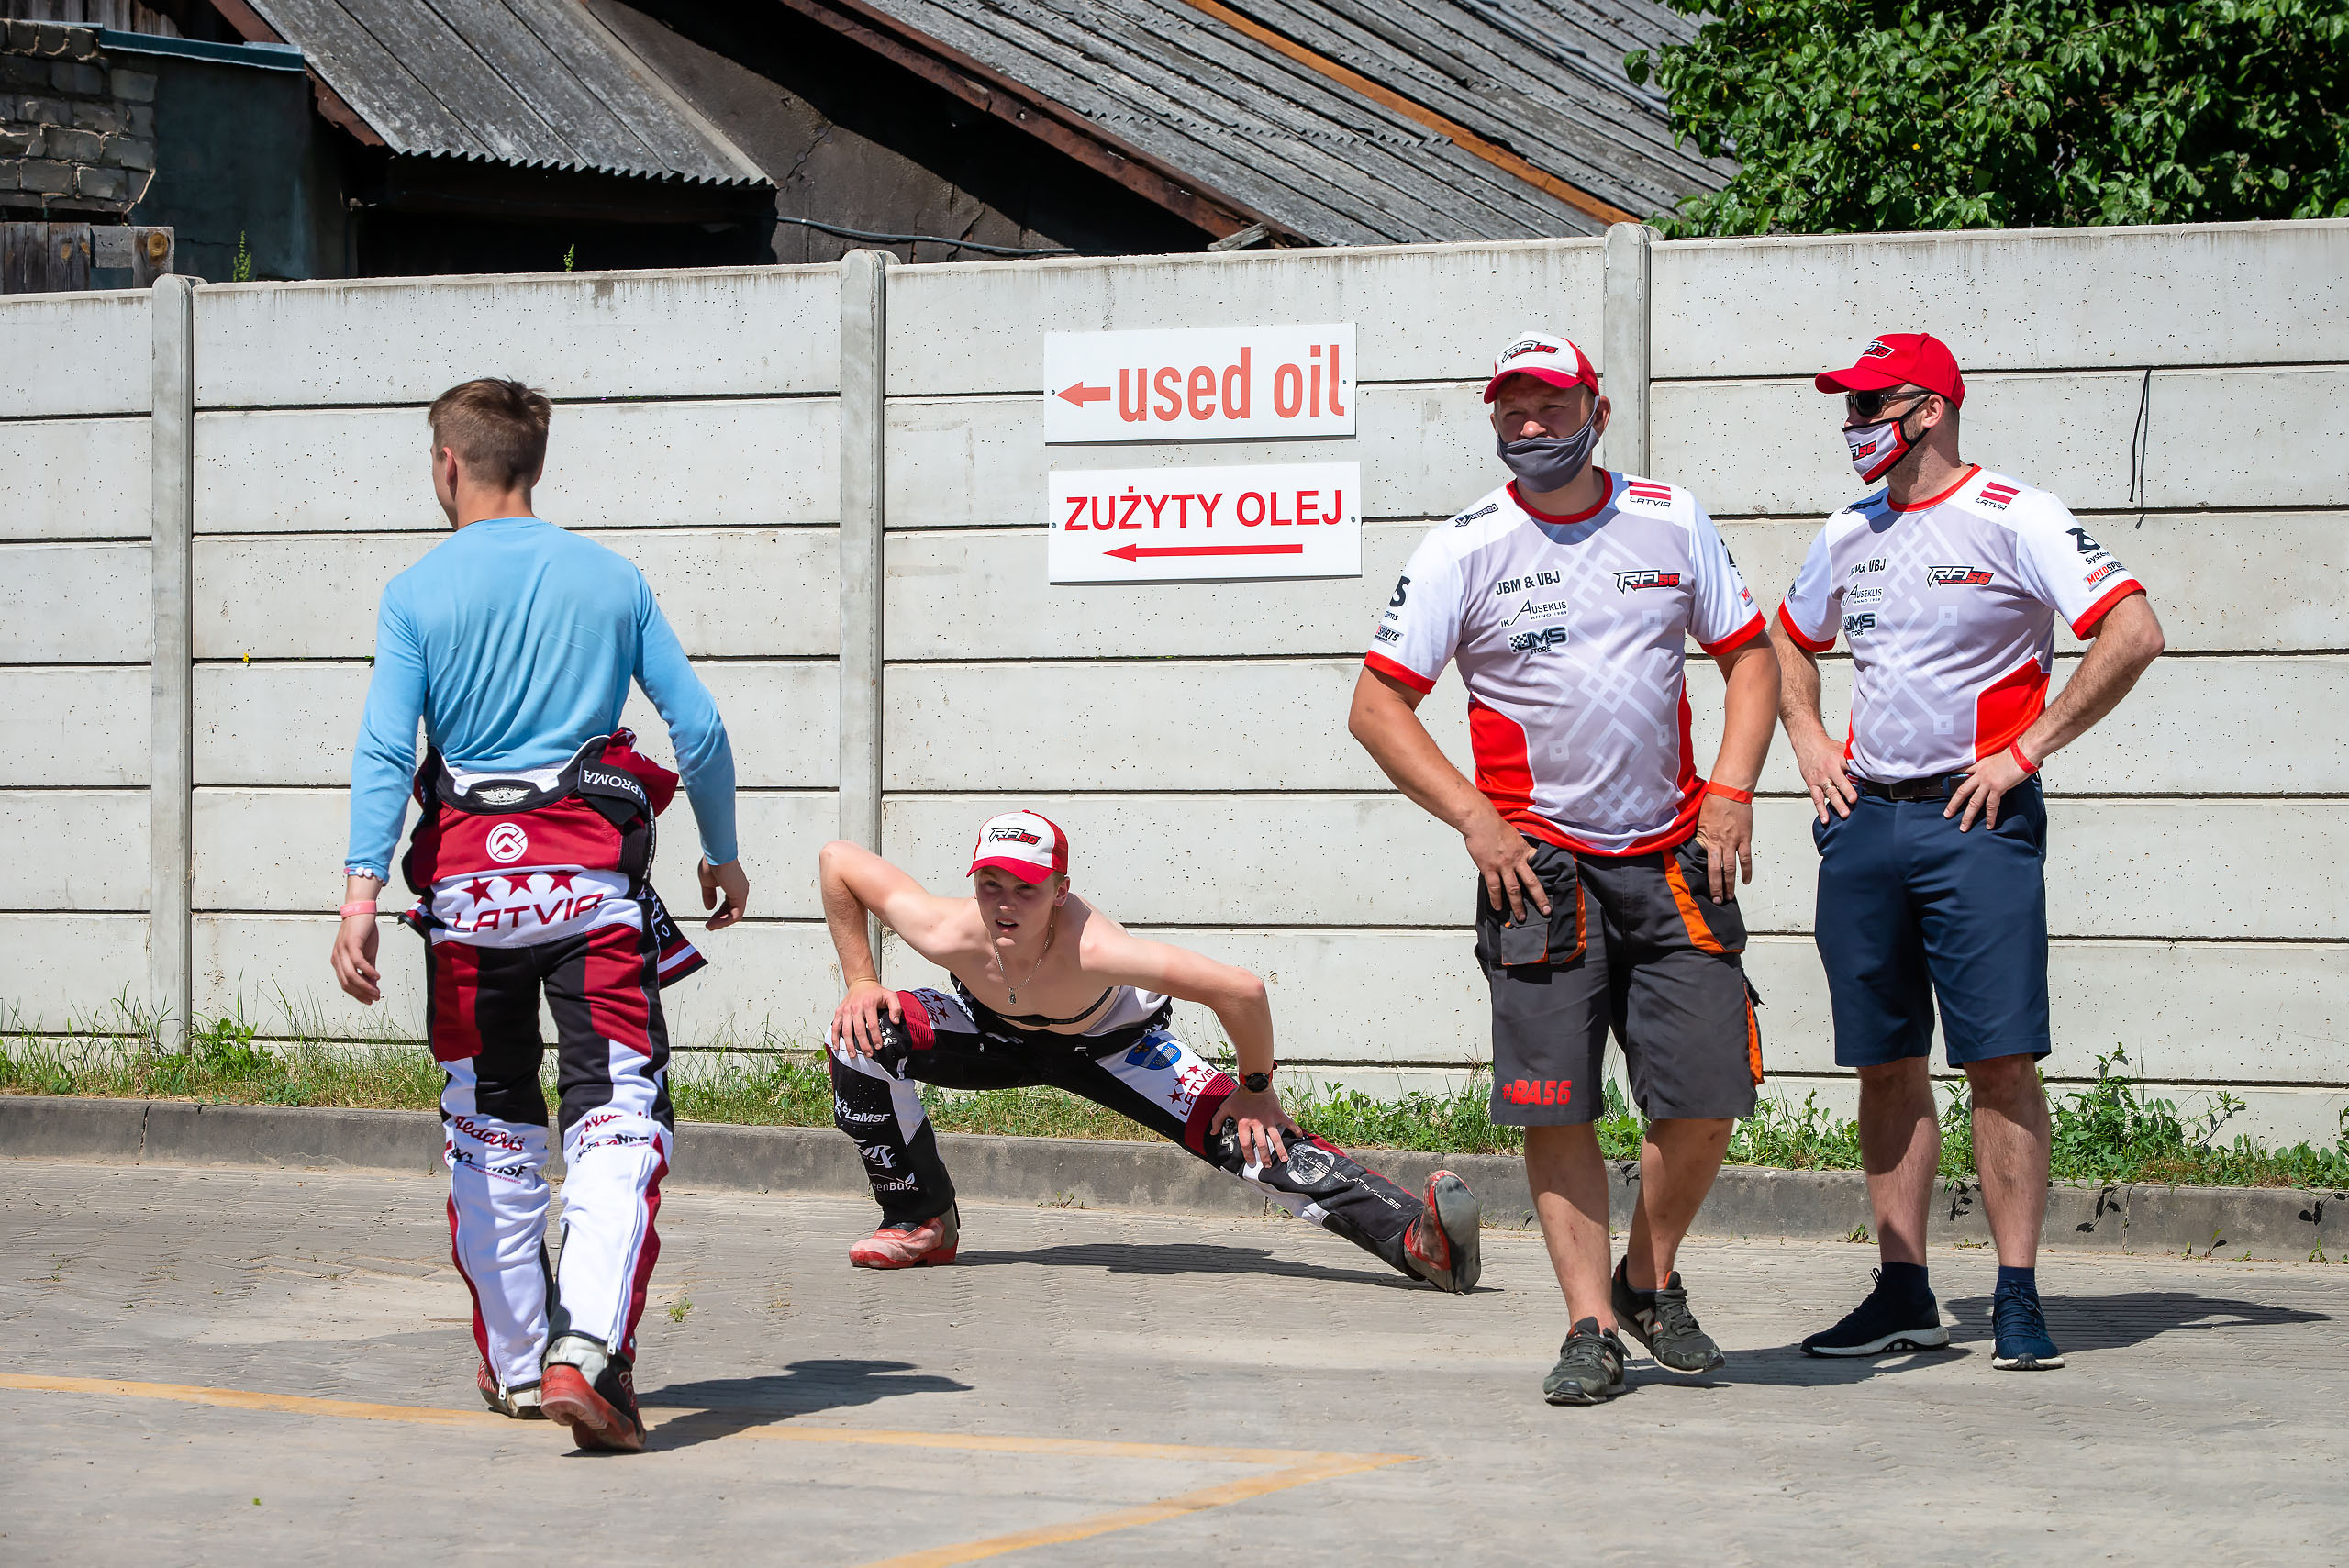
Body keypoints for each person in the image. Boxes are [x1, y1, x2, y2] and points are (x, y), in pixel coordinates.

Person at [1348, 330, 1780, 1406]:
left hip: (1676, 855)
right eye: (1512, 410)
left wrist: (1730, 787)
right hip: (1536, 868)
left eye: (1550, 405)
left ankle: (1647, 1275)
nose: (1531, 425)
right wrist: (1474, 821)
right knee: (1557, 1105)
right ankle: (1589, 1321)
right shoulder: (1463, 546)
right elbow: (1376, 705)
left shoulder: (1670, 517)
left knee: (1707, 1094)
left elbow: (1750, 658)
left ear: (1593, 405)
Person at [328, 379, 752, 1451]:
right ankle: (589, 1353)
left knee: (487, 1113)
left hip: (467, 897)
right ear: (536, 464)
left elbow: (386, 750)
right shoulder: (612, 580)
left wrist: (361, 888)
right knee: (615, 1109)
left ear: (448, 465)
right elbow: (696, 730)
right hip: (590, 893)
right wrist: (723, 851)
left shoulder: (414, 592)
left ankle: (521, 1363)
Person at [1776, 333, 2164, 1370]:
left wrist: (2025, 751)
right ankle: (1902, 1288)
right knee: (1882, 1058)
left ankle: (2016, 1293)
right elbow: (1784, 638)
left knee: (1998, 1059)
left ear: (1930, 408)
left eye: (1869, 403)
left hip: (1975, 821)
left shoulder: (2015, 513)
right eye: (1846, 404)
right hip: (1865, 826)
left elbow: (2131, 629)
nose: (1852, 422)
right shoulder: (1848, 527)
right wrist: (1810, 739)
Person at [819, 811, 1483, 1291]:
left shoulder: (1097, 950)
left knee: (1248, 1136)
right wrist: (861, 980)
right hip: (990, 1030)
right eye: (991, 884)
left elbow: (1241, 990)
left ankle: (1418, 1242)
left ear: (1061, 889)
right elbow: (838, 861)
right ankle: (920, 1218)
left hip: (1115, 1047)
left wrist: (1255, 1087)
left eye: (1026, 888)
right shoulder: (947, 928)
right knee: (858, 1035)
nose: (1005, 905)